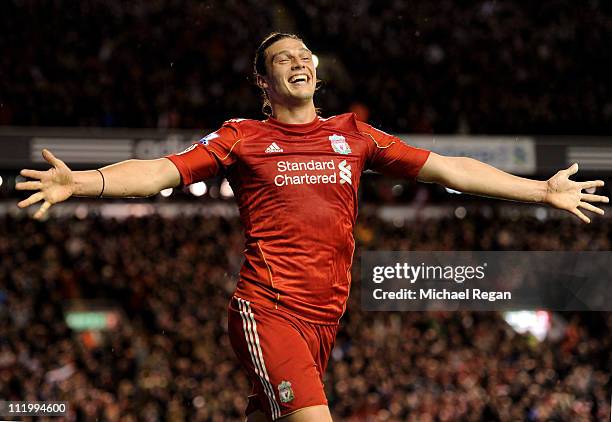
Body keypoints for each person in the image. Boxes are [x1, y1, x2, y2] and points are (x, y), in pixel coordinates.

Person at [15, 32, 608, 421]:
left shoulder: (353, 134)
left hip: (326, 317)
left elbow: (447, 168)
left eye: (304, 56)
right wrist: (82, 182)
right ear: (263, 84)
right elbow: (161, 173)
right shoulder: (242, 136)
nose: (298, 62)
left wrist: (539, 190)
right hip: (268, 308)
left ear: (316, 73)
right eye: (283, 59)